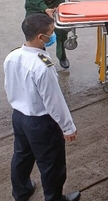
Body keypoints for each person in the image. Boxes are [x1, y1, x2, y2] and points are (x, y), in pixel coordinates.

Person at [4, 13, 81, 201]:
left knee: (21, 156)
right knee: (52, 164)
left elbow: (9, 86)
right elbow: (54, 102)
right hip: (41, 122)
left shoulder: (12, 56)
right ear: (41, 37)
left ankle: (21, 192)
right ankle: (54, 199)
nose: (52, 36)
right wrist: (68, 127)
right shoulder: (43, 66)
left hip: (20, 117)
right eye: (51, 32)